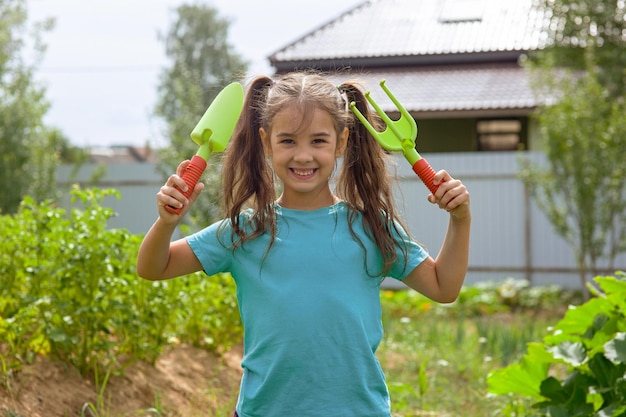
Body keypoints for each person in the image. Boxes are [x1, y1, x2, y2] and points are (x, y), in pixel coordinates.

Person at [137, 71, 471, 417]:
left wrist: (461, 219)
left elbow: (443, 286)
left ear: (341, 142)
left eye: (318, 141)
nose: (303, 155)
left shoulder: (370, 227)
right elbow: (152, 268)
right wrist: (167, 222)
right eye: (288, 141)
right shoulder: (244, 231)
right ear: (266, 143)